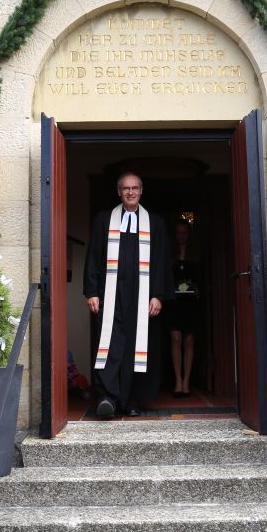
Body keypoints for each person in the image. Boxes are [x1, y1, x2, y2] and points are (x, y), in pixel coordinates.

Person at [84, 171, 173, 418]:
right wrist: (91, 291)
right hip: (110, 296)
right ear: (119, 192)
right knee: (111, 346)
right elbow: (93, 256)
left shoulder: (154, 223)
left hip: (141, 298)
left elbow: (161, 261)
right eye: (126, 188)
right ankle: (108, 398)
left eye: (135, 188)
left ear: (142, 191)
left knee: (138, 347)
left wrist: (157, 295)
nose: (131, 192)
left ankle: (132, 400)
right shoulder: (104, 220)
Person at [168, 219, 201, 398]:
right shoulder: (169, 254)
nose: (181, 236)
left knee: (189, 340)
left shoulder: (195, 254)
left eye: (184, 232)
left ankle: (186, 382)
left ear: (189, 234)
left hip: (191, 303)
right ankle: (177, 380)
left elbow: (200, 278)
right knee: (175, 338)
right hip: (174, 302)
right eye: (178, 232)